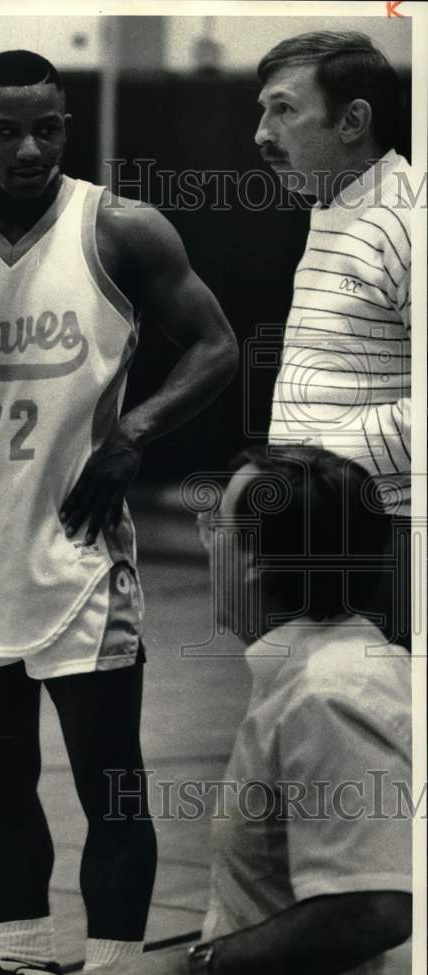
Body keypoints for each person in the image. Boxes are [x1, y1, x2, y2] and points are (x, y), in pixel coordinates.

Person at [0, 50, 239, 975]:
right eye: (7, 131)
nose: (30, 148)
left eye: (47, 129)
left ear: (67, 127)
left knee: (112, 788)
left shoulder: (120, 230)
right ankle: (24, 966)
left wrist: (135, 432)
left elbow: (216, 346)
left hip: (82, 559)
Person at [143, 444, 412, 975]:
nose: (205, 541)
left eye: (214, 528)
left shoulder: (328, 694)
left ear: (254, 562)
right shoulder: (325, 664)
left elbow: (370, 910)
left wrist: (190, 971)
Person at [254, 31, 412, 650]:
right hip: (321, 528)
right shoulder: (336, 205)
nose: (261, 134)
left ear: (352, 121)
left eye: (284, 110)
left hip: (385, 538)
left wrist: (311, 472)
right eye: (263, 110)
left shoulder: (409, 219)